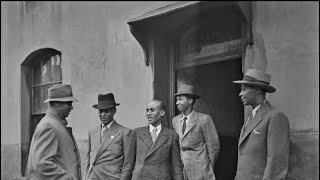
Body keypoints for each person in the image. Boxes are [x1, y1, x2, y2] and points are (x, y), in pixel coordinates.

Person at [233, 68, 290, 180]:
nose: (240, 94)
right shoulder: (250, 118)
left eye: (244, 89)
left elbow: (276, 164)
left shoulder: (275, 117)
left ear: (258, 90)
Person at [26, 84, 82, 180]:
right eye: (68, 103)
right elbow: (42, 165)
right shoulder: (48, 127)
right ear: (57, 103)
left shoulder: (55, 124)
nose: (71, 107)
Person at [172, 84, 220, 180]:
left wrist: (208, 167)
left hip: (200, 170)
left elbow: (213, 146)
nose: (177, 102)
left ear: (190, 101)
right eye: (177, 100)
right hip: (181, 170)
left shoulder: (204, 119)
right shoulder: (175, 120)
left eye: (180, 99)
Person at [130, 100, 184, 180]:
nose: (148, 113)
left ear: (162, 113)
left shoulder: (172, 136)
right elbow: (128, 164)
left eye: (152, 110)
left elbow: (176, 167)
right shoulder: (137, 133)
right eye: (147, 110)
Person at [84, 93, 134, 180]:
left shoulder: (124, 132)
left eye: (106, 111)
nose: (103, 115)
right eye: (100, 111)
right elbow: (87, 161)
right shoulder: (92, 133)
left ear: (114, 111)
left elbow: (128, 164)